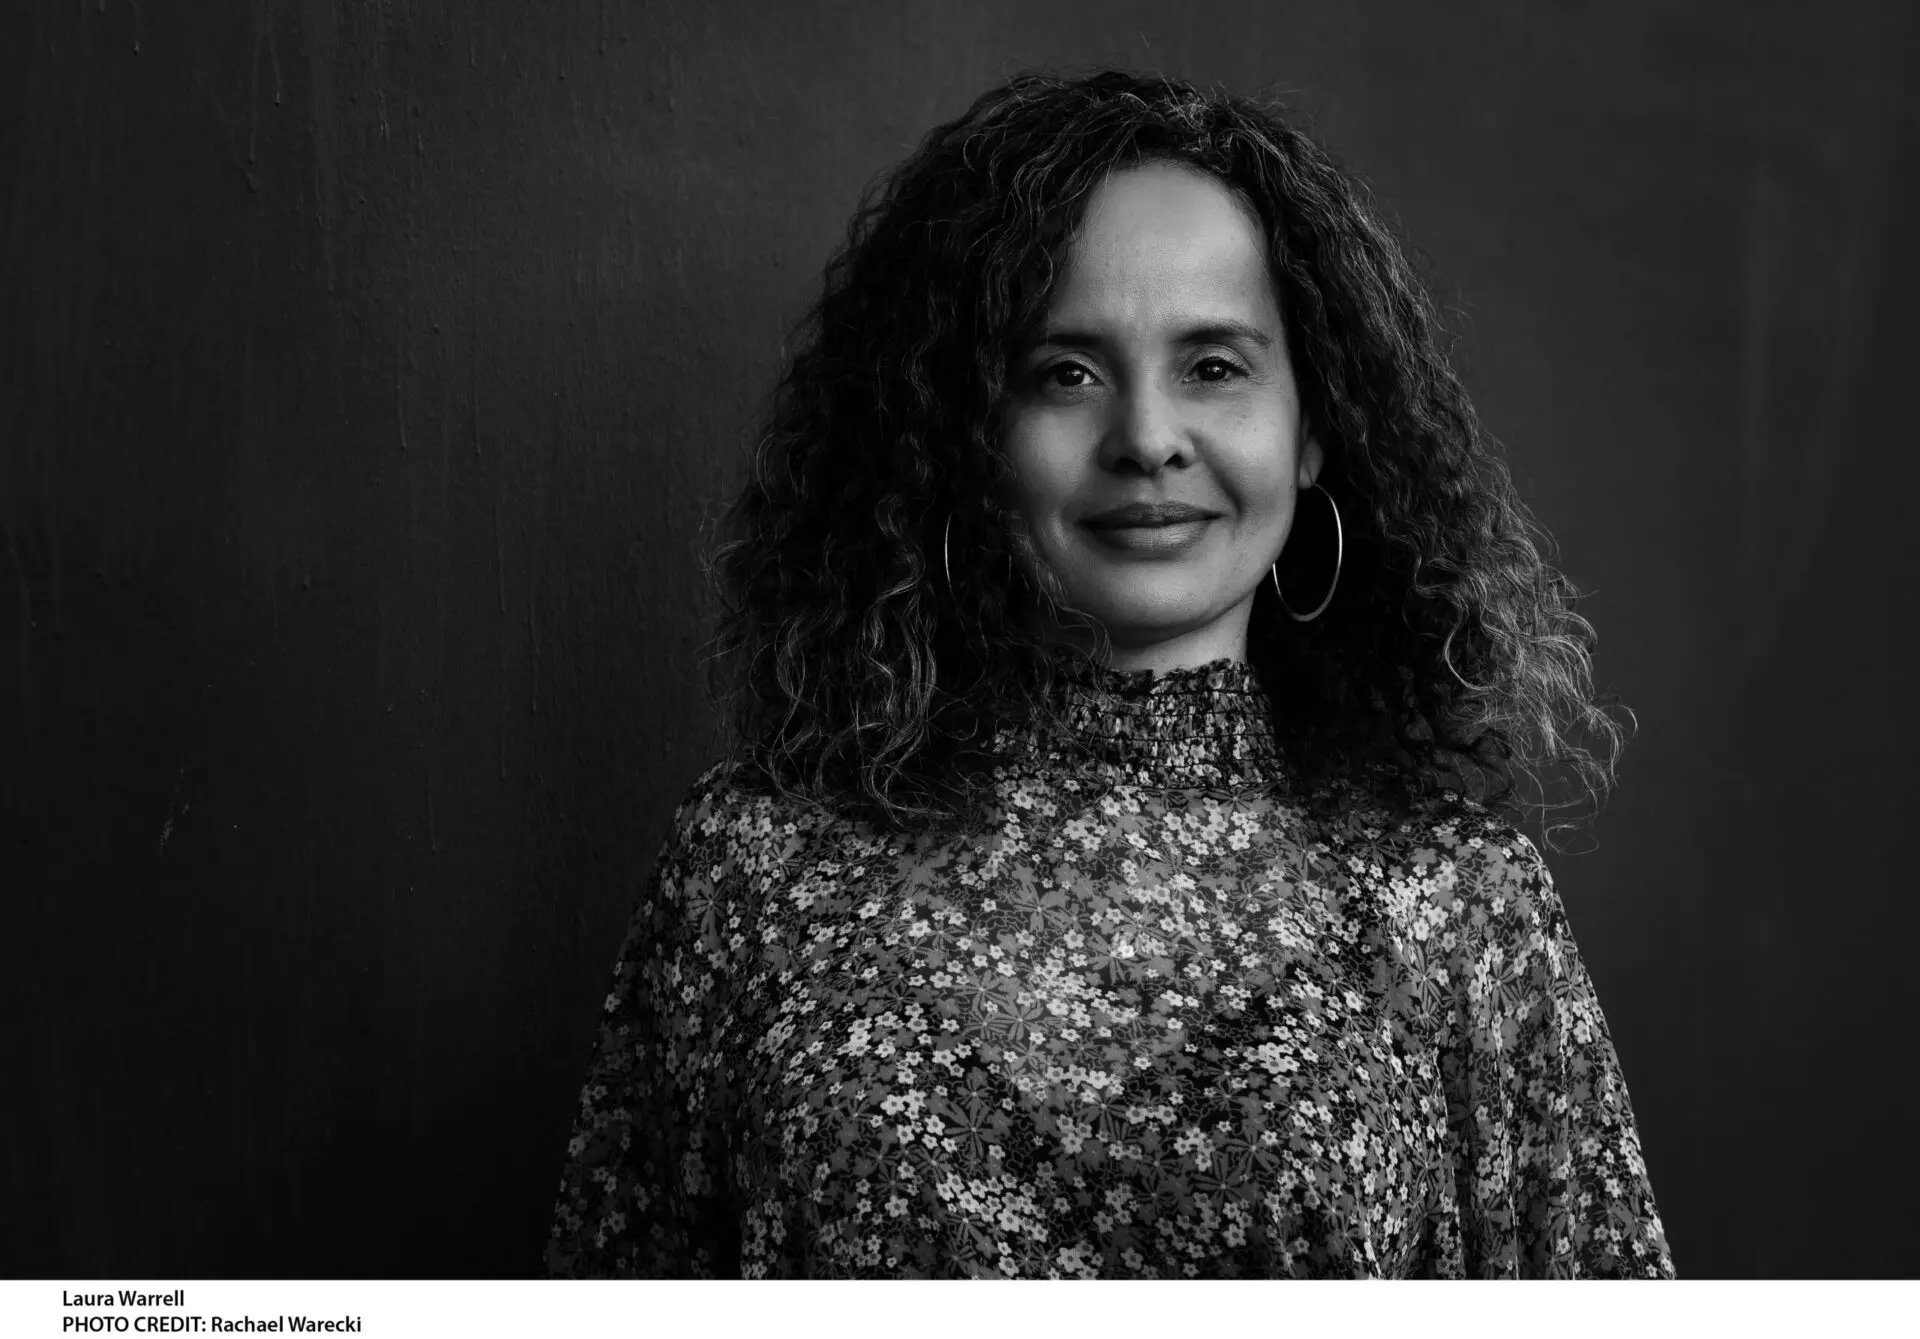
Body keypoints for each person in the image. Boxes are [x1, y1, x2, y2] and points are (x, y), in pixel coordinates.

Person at [543, 69, 1673, 1280]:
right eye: (1065, 371)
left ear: (1312, 430)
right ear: (963, 435)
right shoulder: (751, 873)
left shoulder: (1458, 906)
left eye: (1215, 366)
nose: (1145, 435)